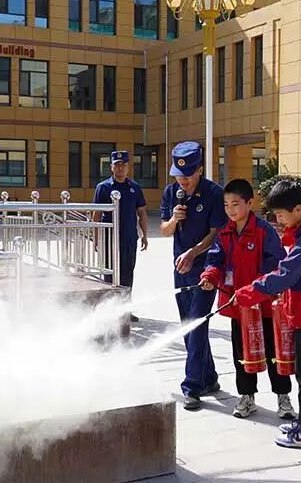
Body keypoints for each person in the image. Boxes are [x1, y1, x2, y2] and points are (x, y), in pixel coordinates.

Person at [234, 180, 301, 449]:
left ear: (298, 209)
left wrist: (251, 291)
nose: (278, 221)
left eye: (281, 215)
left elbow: (286, 274)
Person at [199, 179, 296, 420]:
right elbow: (215, 260)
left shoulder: (264, 232)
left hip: (264, 306)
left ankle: (283, 398)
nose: (230, 210)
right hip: (238, 307)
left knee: (274, 353)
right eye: (226, 205)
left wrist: (257, 289)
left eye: (235, 204)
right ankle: (247, 397)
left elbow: (276, 264)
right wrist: (210, 276)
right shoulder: (224, 233)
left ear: (250, 203)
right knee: (241, 354)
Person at [160, 141, 227, 411]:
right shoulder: (171, 193)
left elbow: (216, 234)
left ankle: (192, 387)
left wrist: (193, 253)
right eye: (179, 176)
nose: (183, 181)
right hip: (181, 268)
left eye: (188, 175)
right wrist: (174, 219)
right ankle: (209, 378)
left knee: (197, 324)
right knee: (188, 325)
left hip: (206, 269)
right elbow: (164, 230)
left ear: (199, 169)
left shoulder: (214, 194)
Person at [93, 151, 148, 307]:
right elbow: (97, 214)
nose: (120, 168)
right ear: (111, 167)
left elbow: (141, 212)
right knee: (109, 273)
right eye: (117, 165)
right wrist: (96, 238)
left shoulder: (134, 188)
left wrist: (144, 235)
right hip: (109, 238)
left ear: (128, 167)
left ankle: (125, 309)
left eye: (123, 165)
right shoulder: (103, 187)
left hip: (129, 238)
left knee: (127, 274)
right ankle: (109, 308)